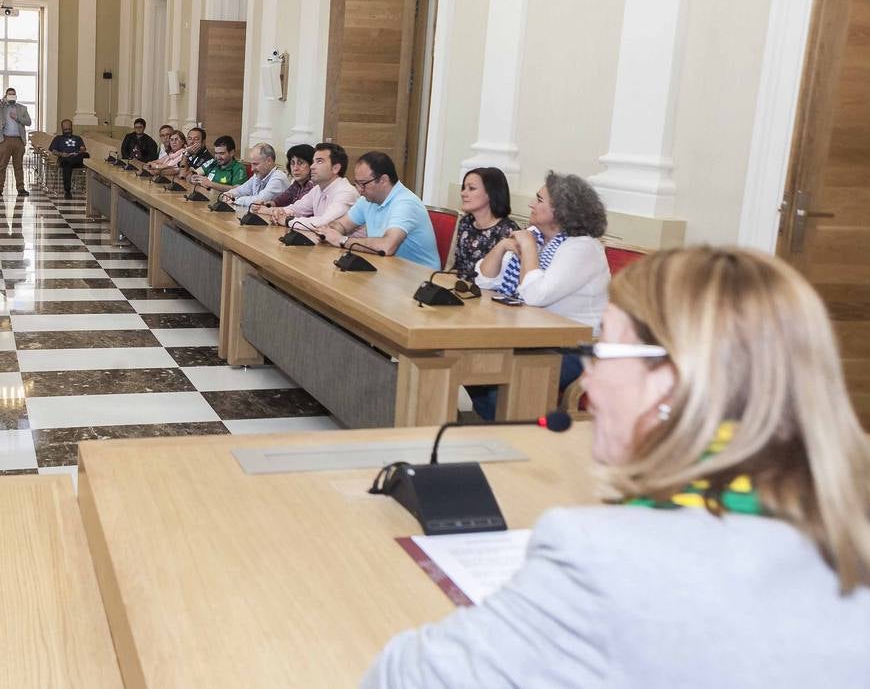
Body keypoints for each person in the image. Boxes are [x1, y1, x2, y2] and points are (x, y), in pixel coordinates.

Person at [364, 247, 870, 688]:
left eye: (602, 351)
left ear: (668, 380)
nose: (589, 378)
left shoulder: (601, 557)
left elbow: (404, 677)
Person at [475, 170, 610, 391]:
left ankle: (516, 421)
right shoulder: (537, 235)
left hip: (573, 348)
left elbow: (535, 296)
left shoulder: (582, 247)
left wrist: (528, 248)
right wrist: (500, 248)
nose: (530, 204)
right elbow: (484, 282)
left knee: (491, 382)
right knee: (472, 360)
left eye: (538, 200)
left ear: (561, 211)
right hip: (534, 336)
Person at [320, 151, 439, 267]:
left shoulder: (406, 203)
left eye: (363, 183)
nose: (359, 190)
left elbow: (386, 247)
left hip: (418, 279)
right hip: (386, 269)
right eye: (356, 183)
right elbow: (342, 225)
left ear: (383, 180)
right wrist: (329, 231)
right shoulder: (368, 199)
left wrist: (343, 240)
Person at [261, 142, 359, 232]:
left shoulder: (346, 192)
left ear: (335, 168)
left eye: (319, 161)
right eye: (313, 161)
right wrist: (279, 212)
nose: (312, 166)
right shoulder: (318, 189)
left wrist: (288, 221)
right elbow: (296, 209)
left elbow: (324, 223)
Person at [452, 167, 517, 281]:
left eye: (471, 188)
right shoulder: (465, 222)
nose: (463, 193)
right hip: (461, 289)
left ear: (491, 193)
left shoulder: (509, 231)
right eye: (464, 188)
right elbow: (457, 267)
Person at [0, 87, 32, 197]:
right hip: (5, 139)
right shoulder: (2, 107)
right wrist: (2, 101)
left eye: (13, 94)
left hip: (18, 140)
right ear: (6, 95)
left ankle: (21, 188)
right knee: (2, 165)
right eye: (9, 94)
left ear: (16, 96)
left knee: (18, 166)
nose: (12, 96)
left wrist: (17, 118)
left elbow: (28, 122)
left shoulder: (22, 108)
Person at [221, 142, 289, 207]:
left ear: (269, 161)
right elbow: (240, 190)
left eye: (255, 164)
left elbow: (260, 200)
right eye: (251, 164)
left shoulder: (279, 177)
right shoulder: (259, 175)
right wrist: (228, 195)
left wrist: (234, 200)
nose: (252, 169)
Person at [253, 143, 313, 212]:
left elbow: (296, 210)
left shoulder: (312, 185)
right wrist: (265, 204)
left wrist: (265, 209)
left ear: (311, 164)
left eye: (300, 163)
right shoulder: (296, 184)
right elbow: (279, 201)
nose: (295, 168)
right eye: (292, 163)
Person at [48, 118, 87, 200]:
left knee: (86, 155)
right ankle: (67, 191)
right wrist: (62, 154)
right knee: (67, 163)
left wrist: (81, 150)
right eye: (65, 129)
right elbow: (53, 151)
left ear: (72, 128)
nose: (67, 131)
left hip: (77, 159)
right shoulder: (58, 138)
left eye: (69, 129)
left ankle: (71, 159)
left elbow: (82, 149)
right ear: (62, 129)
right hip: (64, 159)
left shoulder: (78, 138)